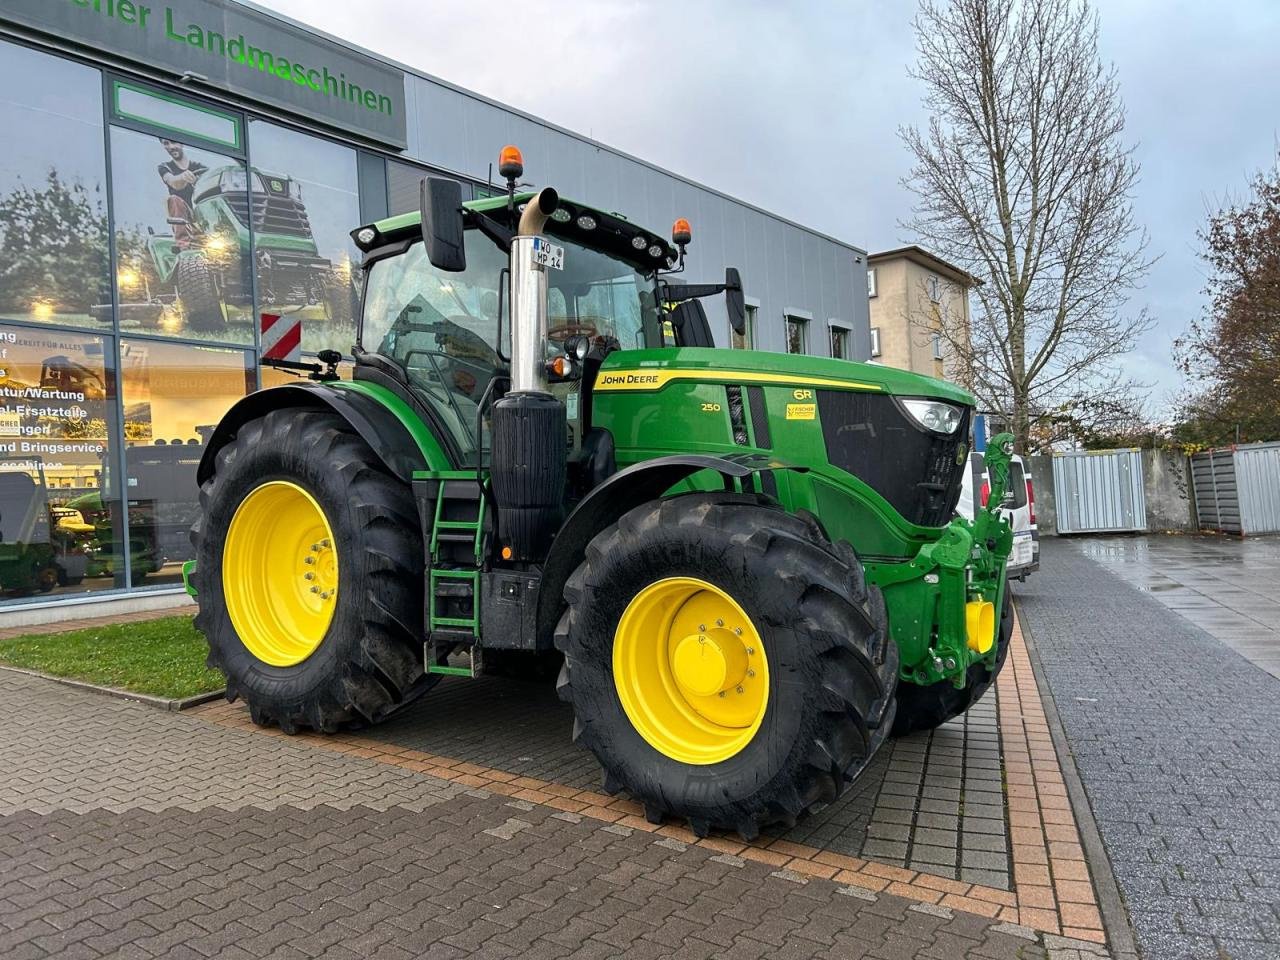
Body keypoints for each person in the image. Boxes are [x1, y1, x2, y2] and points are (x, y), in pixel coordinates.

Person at [157, 139, 207, 250]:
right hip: (185, 217)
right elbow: (173, 182)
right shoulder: (165, 167)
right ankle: (183, 243)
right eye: (166, 144)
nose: (171, 147)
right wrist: (183, 177)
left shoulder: (200, 167)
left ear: (182, 143)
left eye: (173, 142)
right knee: (173, 199)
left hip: (203, 215)